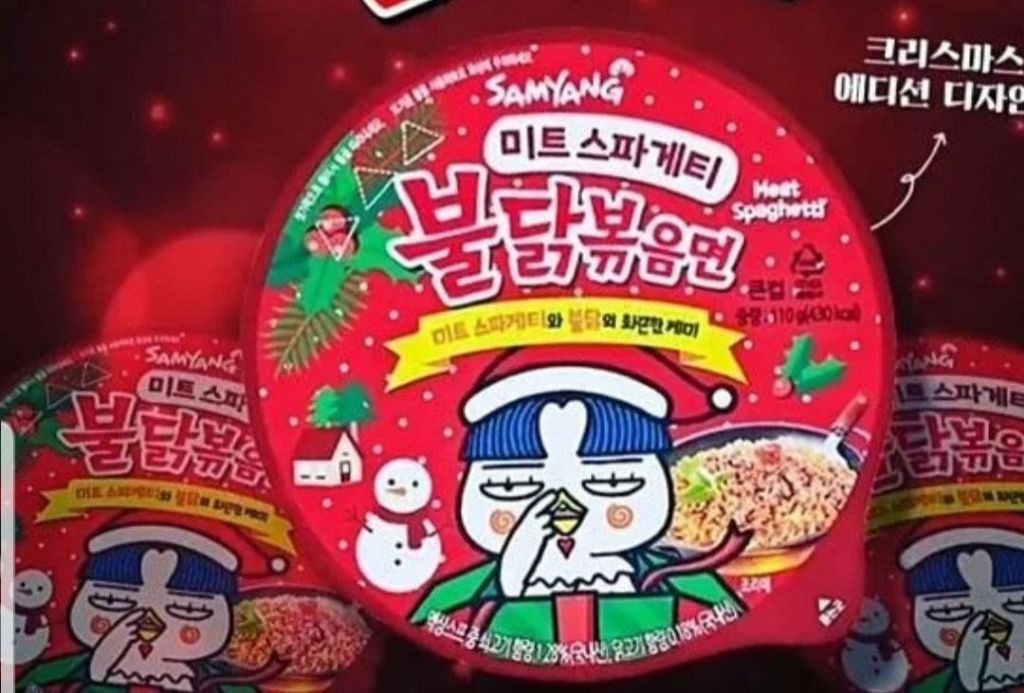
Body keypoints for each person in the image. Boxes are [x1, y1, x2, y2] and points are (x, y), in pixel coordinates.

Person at [410, 346, 748, 653]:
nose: (565, 512)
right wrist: (512, 578)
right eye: (511, 485)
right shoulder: (453, 600)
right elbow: (429, 639)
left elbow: (727, 627)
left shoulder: (685, 582)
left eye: (613, 480)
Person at [900, 527, 1024, 693]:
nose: (990, 622)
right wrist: (968, 677)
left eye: (1017, 603)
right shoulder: (932, 685)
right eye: (949, 611)